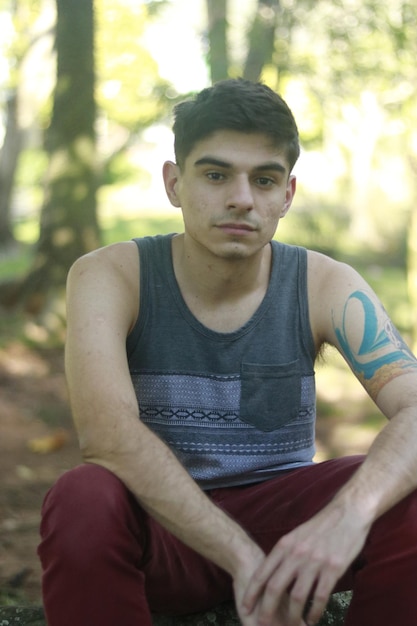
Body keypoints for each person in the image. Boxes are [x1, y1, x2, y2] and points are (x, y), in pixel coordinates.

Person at [38, 78, 417, 626]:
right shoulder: (110, 275)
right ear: (174, 182)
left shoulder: (324, 284)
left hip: (287, 532)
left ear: (287, 194)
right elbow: (108, 437)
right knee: (82, 496)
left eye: (264, 179)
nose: (242, 197)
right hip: (161, 532)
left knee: (402, 488)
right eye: (216, 175)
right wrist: (243, 558)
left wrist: (349, 514)